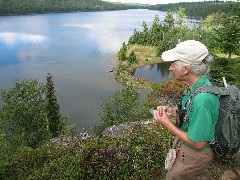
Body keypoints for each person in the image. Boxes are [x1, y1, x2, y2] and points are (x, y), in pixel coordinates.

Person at [153, 40, 220, 180]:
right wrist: (171, 111)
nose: (170, 68)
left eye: (173, 64)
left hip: (195, 154)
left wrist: (167, 124)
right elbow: (191, 112)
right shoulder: (196, 85)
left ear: (185, 69)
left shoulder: (203, 100)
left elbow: (199, 143)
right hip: (185, 145)